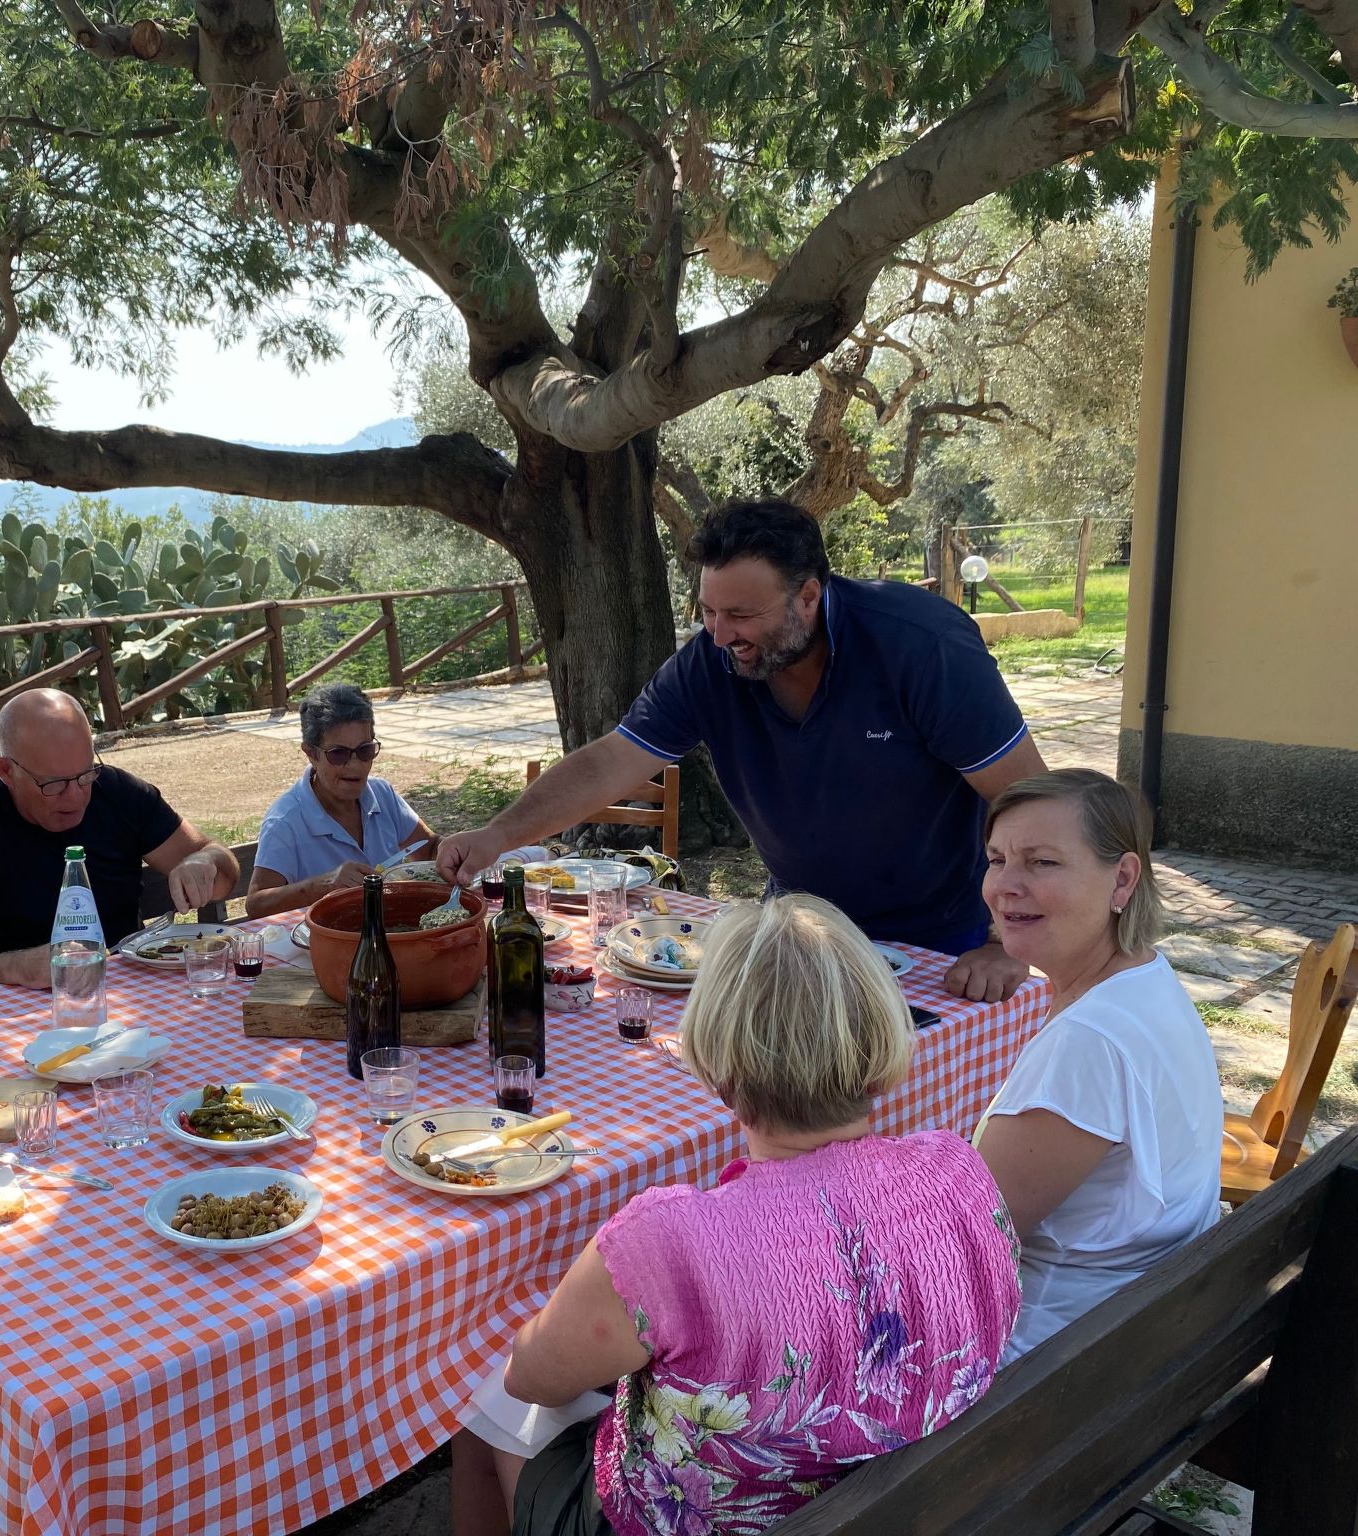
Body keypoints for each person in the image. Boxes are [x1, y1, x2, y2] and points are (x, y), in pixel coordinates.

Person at [451, 894, 1021, 1536]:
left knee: (480, 1398)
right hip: (926, 1498)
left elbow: (532, 1380)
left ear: (716, 1068)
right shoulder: (958, 1168)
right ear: (882, 1039)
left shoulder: (667, 1241)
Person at [436, 499, 1049, 1002]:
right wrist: (497, 837)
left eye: (741, 614)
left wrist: (1005, 944)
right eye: (707, 610)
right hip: (799, 929)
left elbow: (1029, 803)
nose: (720, 634)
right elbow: (610, 762)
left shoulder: (922, 646)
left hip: (942, 939)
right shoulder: (710, 661)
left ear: (808, 597)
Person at [972, 769, 1222, 1360]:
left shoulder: (1089, 1042)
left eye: (1042, 863)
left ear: (1123, 878)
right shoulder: (1143, 977)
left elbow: (964, 1242)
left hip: (1047, 1359)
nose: (1004, 885)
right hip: (1132, 1320)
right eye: (996, 858)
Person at [0, 688, 239, 991]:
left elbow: (224, 873)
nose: (75, 797)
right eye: (54, 784)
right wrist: (16, 967)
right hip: (19, 1009)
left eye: (86, 774)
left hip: (127, 994)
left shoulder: (119, 793)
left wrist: (203, 862)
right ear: (6, 771)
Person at [243, 684, 438, 917]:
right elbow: (256, 906)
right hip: (327, 941)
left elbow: (429, 849)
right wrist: (325, 884)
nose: (355, 766)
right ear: (311, 754)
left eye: (365, 750)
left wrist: (453, 850)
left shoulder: (382, 794)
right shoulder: (286, 821)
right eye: (339, 754)